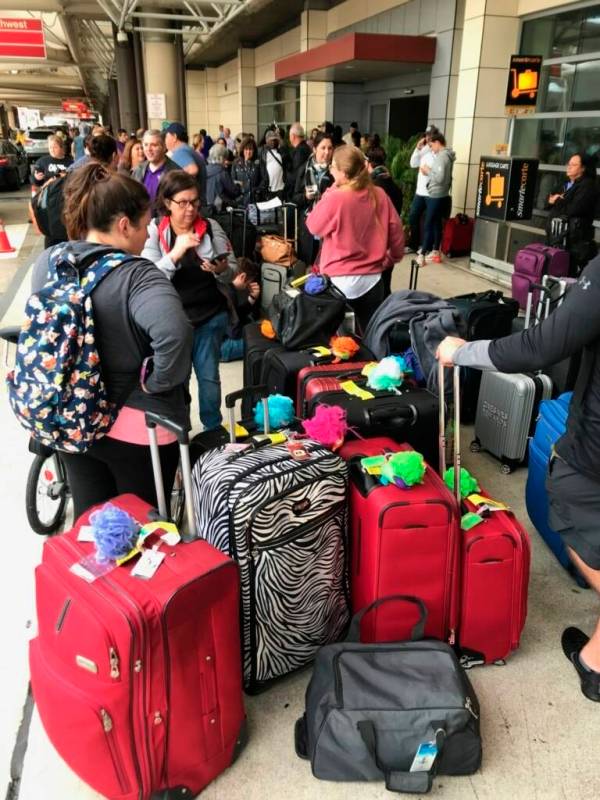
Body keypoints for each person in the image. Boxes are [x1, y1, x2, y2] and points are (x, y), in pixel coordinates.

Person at [436, 253, 600, 702]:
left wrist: (462, 351)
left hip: (594, 452)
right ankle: (595, 664)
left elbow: (538, 348)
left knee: (565, 502)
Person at [28, 162, 192, 519]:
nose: (149, 232)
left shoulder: (49, 262)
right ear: (123, 225)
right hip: (137, 427)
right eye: (146, 222)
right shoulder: (137, 276)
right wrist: (158, 381)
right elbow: (174, 334)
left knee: (92, 521)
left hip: (73, 417)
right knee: (146, 530)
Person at [142, 170, 237, 432]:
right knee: (178, 382)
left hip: (209, 316)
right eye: (183, 202)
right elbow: (150, 278)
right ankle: (179, 433)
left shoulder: (211, 227)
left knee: (209, 379)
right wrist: (176, 252)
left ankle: (213, 431)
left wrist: (221, 270)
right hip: (174, 324)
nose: (190, 209)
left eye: (195, 202)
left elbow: (233, 270)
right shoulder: (155, 231)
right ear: (168, 203)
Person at [306, 145, 405, 334]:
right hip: (373, 281)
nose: (330, 169)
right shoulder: (379, 194)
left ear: (343, 173)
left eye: (333, 166)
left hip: (340, 282)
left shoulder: (336, 198)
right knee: (371, 338)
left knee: (341, 347)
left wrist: (331, 189)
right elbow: (397, 233)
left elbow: (313, 226)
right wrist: (390, 259)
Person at [546, 152, 599, 277]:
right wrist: (554, 200)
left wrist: (558, 200)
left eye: (573, 165)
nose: (569, 167)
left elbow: (574, 209)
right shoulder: (566, 183)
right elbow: (548, 200)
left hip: (573, 242)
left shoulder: (587, 186)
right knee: (553, 273)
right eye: (568, 164)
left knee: (568, 275)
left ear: (583, 168)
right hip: (557, 238)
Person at [366, 146, 404, 296]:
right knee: (386, 284)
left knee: (375, 289)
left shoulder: (372, 189)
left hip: (374, 245)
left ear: (369, 164)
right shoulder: (395, 186)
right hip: (389, 243)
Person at [293, 132, 335, 264]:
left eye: (330, 148)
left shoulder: (336, 171)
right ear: (315, 149)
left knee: (324, 266)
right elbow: (294, 198)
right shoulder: (304, 170)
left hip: (328, 226)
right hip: (307, 225)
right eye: (323, 148)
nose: (327, 152)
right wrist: (305, 196)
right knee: (308, 266)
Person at [417, 132, 455, 266]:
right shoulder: (447, 156)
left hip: (436, 194)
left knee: (428, 223)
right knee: (436, 223)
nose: (431, 148)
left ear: (438, 142)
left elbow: (439, 178)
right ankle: (434, 252)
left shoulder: (442, 156)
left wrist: (428, 171)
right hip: (442, 194)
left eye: (432, 145)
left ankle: (422, 254)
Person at [408, 125, 439, 255]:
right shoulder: (425, 149)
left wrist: (429, 171)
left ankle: (429, 247)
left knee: (430, 221)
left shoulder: (439, 151)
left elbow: (440, 172)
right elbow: (413, 163)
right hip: (420, 192)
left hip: (432, 193)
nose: (428, 137)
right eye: (427, 135)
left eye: (430, 135)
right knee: (413, 217)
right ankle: (414, 245)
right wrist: (417, 148)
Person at [220, 264, 261, 362]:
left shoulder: (223, 285)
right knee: (261, 341)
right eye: (249, 283)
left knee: (251, 323)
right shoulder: (230, 294)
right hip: (221, 347)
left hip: (210, 341)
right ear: (242, 276)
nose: (248, 287)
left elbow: (235, 314)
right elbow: (234, 333)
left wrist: (252, 298)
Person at [164, 122, 207, 206]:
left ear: (174, 137)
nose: (165, 140)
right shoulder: (187, 150)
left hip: (192, 206)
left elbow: (193, 170)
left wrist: (172, 181)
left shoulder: (181, 152)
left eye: (166, 136)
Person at [132, 129, 178, 205]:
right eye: (146, 145)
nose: (149, 149)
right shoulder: (138, 171)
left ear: (164, 147)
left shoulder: (175, 173)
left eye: (154, 145)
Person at [231, 136, 267, 207]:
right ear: (242, 150)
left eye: (250, 149)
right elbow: (232, 180)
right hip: (241, 201)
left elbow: (265, 179)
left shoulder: (259, 162)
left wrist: (257, 191)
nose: (248, 152)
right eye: (246, 149)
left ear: (254, 150)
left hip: (256, 201)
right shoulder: (236, 163)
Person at [205, 143, 241, 213]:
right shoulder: (222, 172)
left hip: (205, 208)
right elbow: (234, 191)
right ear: (221, 158)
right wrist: (238, 186)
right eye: (225, 158)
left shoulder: (204, 170)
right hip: (219, 209)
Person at [260, 130, 290, 200]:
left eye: (274, 140)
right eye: (271, 140)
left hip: (281, 188)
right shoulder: (262, 152)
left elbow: (288, 165)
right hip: (268, 189)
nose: (273, 142)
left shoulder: (282, 151)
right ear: (266, 141)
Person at [287, 123, 312, 198]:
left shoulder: (300, 151)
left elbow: (296, 173)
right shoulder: (306, 147)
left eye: (289, 136)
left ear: (293, 136)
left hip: (299, 192)